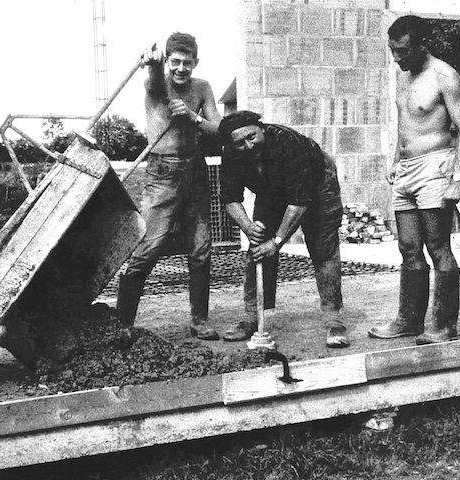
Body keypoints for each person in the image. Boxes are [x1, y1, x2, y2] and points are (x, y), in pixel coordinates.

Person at [369, 15, 460, 344]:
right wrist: (394, 160)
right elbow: (404, 123)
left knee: (437, 247)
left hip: (436, 167)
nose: (396, 58)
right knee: (408, 247)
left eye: (402, 51)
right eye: (392, 51)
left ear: (420, 45)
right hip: (407, 169)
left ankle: (444, 325)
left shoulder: (445, 76)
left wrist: (457, 179)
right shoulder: (403, 76)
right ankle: (409, 320)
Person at [116, 32, 223, 340]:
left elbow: (217, 128)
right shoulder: (157, 82)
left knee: (201, 250)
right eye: (174, 62)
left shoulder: (202, 88)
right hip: (162, 176)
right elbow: (152, 79)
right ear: (167, 61)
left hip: (196, 174)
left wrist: (193, 117)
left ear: (196, 62)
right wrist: (152, 64)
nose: (180, 69)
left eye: (186, 63)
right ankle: (124, 325)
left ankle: (199, 321)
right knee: (147, 249)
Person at [217, 111, 349, 348]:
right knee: (257, 251)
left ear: (262, 129)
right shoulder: (230, 154)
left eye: (251, 137)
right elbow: (229, 198)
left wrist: (276, 242)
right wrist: (248, 228)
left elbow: (299, 201)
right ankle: (253, 316)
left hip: (318, 186)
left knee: (323, 250)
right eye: (239, 143)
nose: (247, 146)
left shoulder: (287, 143)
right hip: (271, 191)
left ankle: (334, 320)